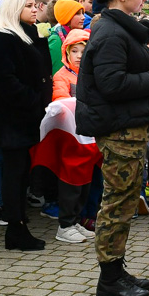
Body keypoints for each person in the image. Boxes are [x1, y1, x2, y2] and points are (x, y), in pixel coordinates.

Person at [76, 0, 149, 296]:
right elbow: (112, 85)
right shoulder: (112, 33)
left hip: (129, 127)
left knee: (127, 200)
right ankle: (109, 280)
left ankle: (117, 268)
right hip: (119, 130)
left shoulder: (119, 28)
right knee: (116, 203)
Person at [0, 0, 53, 251]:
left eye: (35, 5)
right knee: (14, 173)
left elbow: (43, 70)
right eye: (29, 6)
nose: (35, 9)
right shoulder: (5, 38)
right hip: (13, 116)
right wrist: (33, 101)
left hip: (27, 114)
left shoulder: (27, 33)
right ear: (15, 8)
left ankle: (19, 224)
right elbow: (6, 80)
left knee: (21, 172)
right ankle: (15, 228)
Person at [51, 28, 97, 243]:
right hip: (71, 137)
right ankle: (65, 224)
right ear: (66, 53)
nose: (79, 55)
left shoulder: (93, 73)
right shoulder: (61, 75)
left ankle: (76, 221)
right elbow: (60, 100)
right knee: (71, 183)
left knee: (85, 182)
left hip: (89, 137)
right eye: (74, 51)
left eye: (83, 51)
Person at [48, 0, 86, 74]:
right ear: (67, 17)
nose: (83, 17)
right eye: (77, 14)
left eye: (82, 13)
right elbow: (57, 72)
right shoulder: (56, 39)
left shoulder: (81, 36)